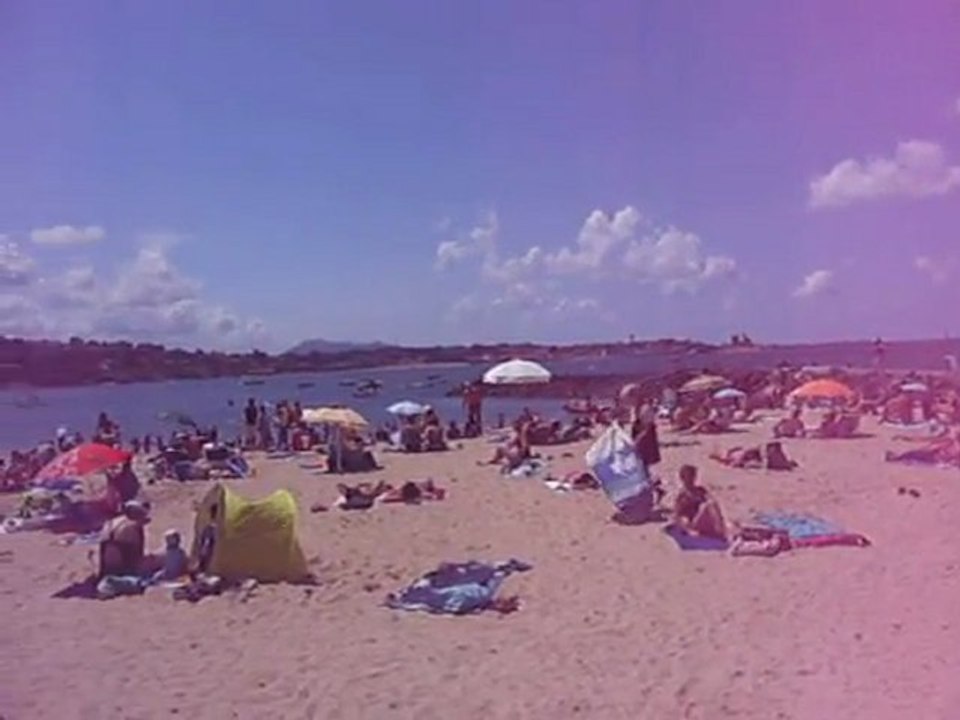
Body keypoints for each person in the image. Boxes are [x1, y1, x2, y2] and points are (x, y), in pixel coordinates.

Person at [672, 465, 727, 540]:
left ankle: (721, 527)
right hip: (694, 523)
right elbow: (678, 516)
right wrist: (687, 529)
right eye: (689, 476)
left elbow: (712, 502)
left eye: (693, 476)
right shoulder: (682, 495)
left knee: (711, 503)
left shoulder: (700, 490)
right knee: (707, 505)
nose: (691, 479)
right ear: (683, 478)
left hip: (705, 519)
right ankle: (721, 530)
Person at [98, 501, 150, 578]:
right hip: (123, 562)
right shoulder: (133, 526)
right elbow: (139, 552)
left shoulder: (111, 522)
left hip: (105, 566)